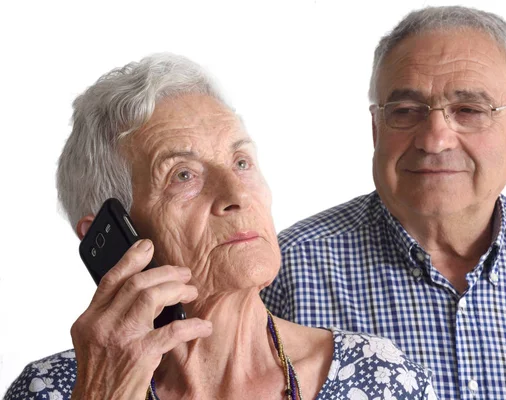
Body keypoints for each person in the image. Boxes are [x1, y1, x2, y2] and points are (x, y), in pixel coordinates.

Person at [4, 54, 436, 400]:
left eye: (241, 162)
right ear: (112, 242)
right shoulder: (53, 391)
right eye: (183, 175)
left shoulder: (382, 379)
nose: (236, 193)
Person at [261, 5, 506, 399]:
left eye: (469, 110)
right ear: (376, 129)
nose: (435, 139)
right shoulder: (284, 272)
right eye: (405, 111)